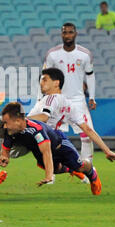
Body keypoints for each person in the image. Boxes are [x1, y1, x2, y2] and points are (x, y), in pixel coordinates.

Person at [0, 102, 115, 195]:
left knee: (79, 166)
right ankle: (70, 169)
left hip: (60, 146)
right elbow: (6, 147)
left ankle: (91, 172)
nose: (4, 126)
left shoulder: (37, 130)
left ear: (18, 121)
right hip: (42, 153)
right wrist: (4, 156)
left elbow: (46, 152)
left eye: (6, 122)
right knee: (56, 170)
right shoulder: (10, 132)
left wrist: (48, 176)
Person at [43, 23, 97, 163]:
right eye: (65, 32)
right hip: (58, 100)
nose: (67, 35)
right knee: (53, 137)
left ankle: (87, 169)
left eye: (70, 32)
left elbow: (90, 75)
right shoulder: (52, 54)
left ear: (75, 33)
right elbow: (46, 77)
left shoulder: (85, 54)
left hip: (78, 100)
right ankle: (54, 170)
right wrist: (44, 97)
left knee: (87, 136)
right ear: (61, 34)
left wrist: (92, 97)